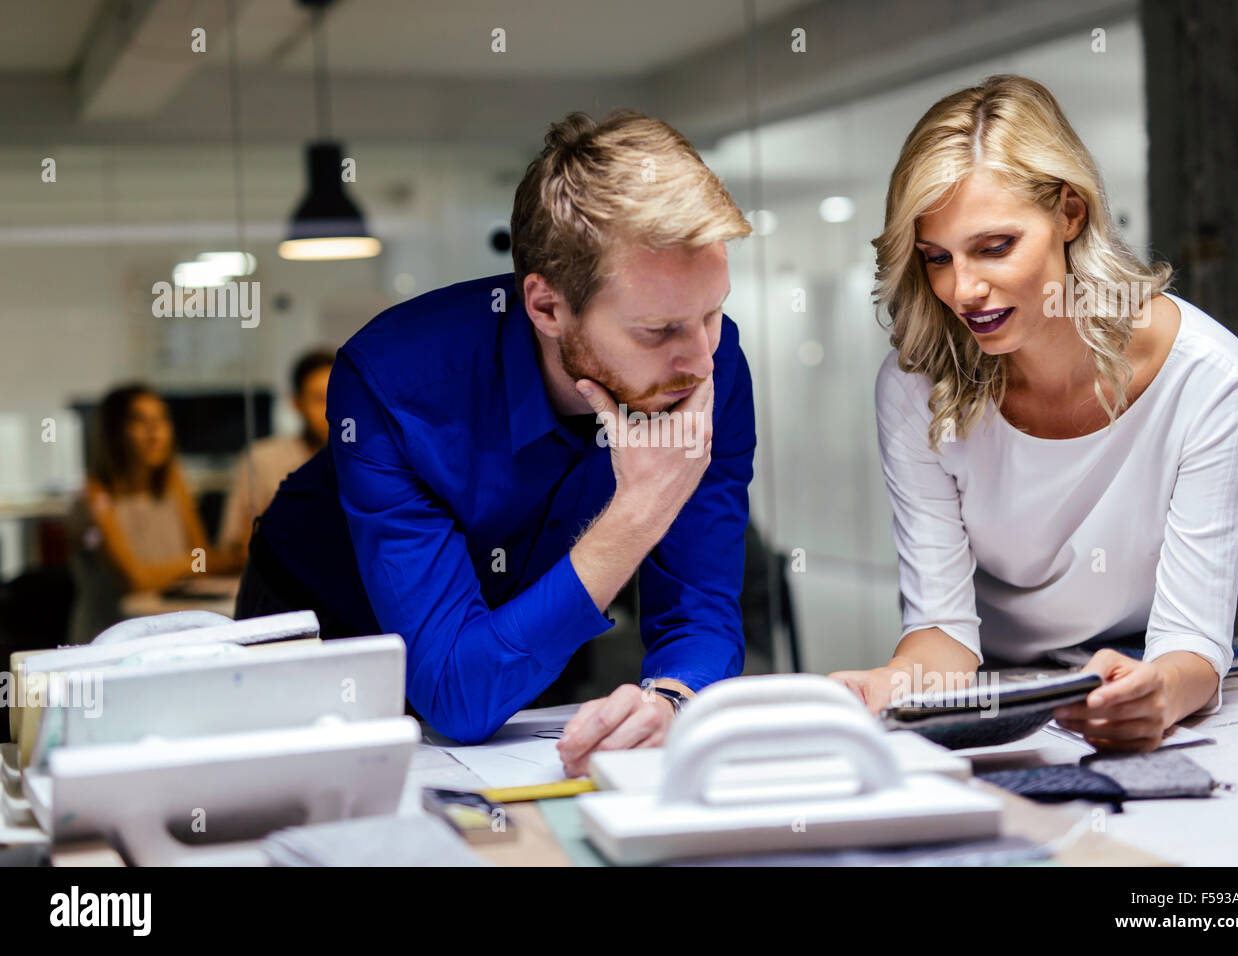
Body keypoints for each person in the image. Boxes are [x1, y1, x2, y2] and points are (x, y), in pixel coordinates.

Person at [236, 109, 756, 770]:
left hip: (524, 618)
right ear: (545, 307)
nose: (702, 358)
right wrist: (634, 517)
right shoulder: (394, 384)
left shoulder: (710, 364)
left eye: (713, 311)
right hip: (325, 620)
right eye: (659, 330)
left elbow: (699, 607)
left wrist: (674, 700)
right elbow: (453, 697)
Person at [831, 75, 1238, 752]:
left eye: (994, 247)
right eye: (937, 258)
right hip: (998, 691)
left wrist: (1158, 693)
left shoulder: (1208, 375)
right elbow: (943, 630)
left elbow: (1191, 643)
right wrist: (888, 683)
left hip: (1135, 667)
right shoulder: (915, 385)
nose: (962, 290)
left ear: (1070, 212)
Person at [68, 384, 241, 643]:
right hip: (110, 640)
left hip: (169, 632)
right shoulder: (95, 499)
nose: (154, 432)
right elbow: (135, 580)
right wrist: (189, 565)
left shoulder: (173, 489)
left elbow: (201, 561)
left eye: (161, 420)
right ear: (114, 433)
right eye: (140, 421)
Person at [217, 349, 333, 563]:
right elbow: (233, 546)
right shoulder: (261, 460)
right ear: (296, 403)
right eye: (319, 399)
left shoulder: (369, 464)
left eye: (339, 396)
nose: (331, 410)